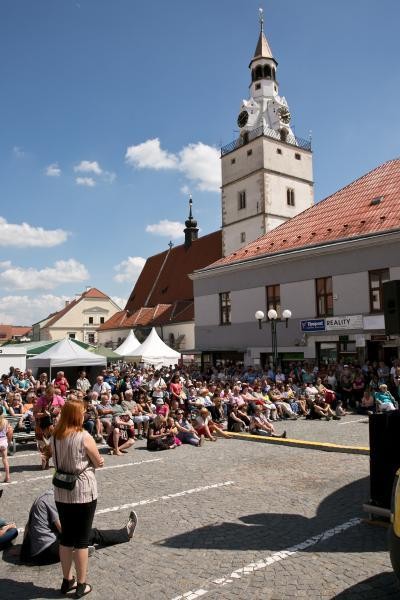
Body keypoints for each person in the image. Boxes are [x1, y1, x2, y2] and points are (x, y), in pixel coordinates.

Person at [49, 399, 104, 598]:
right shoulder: (83, 436)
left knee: (66, 538)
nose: (84, 415)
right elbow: (98, 462)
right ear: (76, 415)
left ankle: (67, 580)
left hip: (62, 491)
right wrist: (99, 460)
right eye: (82, 412)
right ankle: (81, 584)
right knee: (81, 539)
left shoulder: (55, 435)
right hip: (82, 491)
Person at [20, 489, 137, 565]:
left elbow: (27, 526)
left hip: (36, 550)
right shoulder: (51, 500)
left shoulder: (44, 497)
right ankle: (125, 533)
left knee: (84, 535)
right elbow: (64, 530)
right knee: (91, 533)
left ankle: (78, 550)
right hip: (47, 551)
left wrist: (23, 551)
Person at [34, 384, 65, 470]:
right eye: (47, 395)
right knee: (44, 445)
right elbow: (35, 414)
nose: (49, 397)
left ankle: (45, 458)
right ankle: (46, 460)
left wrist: (59, 410)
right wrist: (44, 414)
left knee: (55, 444)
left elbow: (66, 409)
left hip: (55, 425)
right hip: (41, 425)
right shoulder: (41, 399)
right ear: (45, 393)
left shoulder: (58, 398)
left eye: (51, 395)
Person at [0, 414, 11, 483]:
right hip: (3, 441)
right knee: (5, 459)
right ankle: (7, 476)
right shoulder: (5, 421)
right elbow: (7, 430)